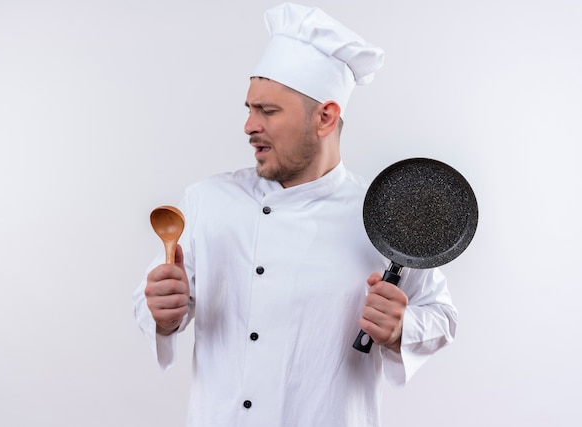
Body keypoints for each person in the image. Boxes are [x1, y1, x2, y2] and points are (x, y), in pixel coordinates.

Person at [133, 3, 457, 426]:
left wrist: (402, 328)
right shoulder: (207, 201)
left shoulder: (379, 213)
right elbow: (154, 307)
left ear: (325, 117)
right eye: (249, 108)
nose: (249, 125)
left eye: (267, 111)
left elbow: (442, 317)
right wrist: (161, 311)